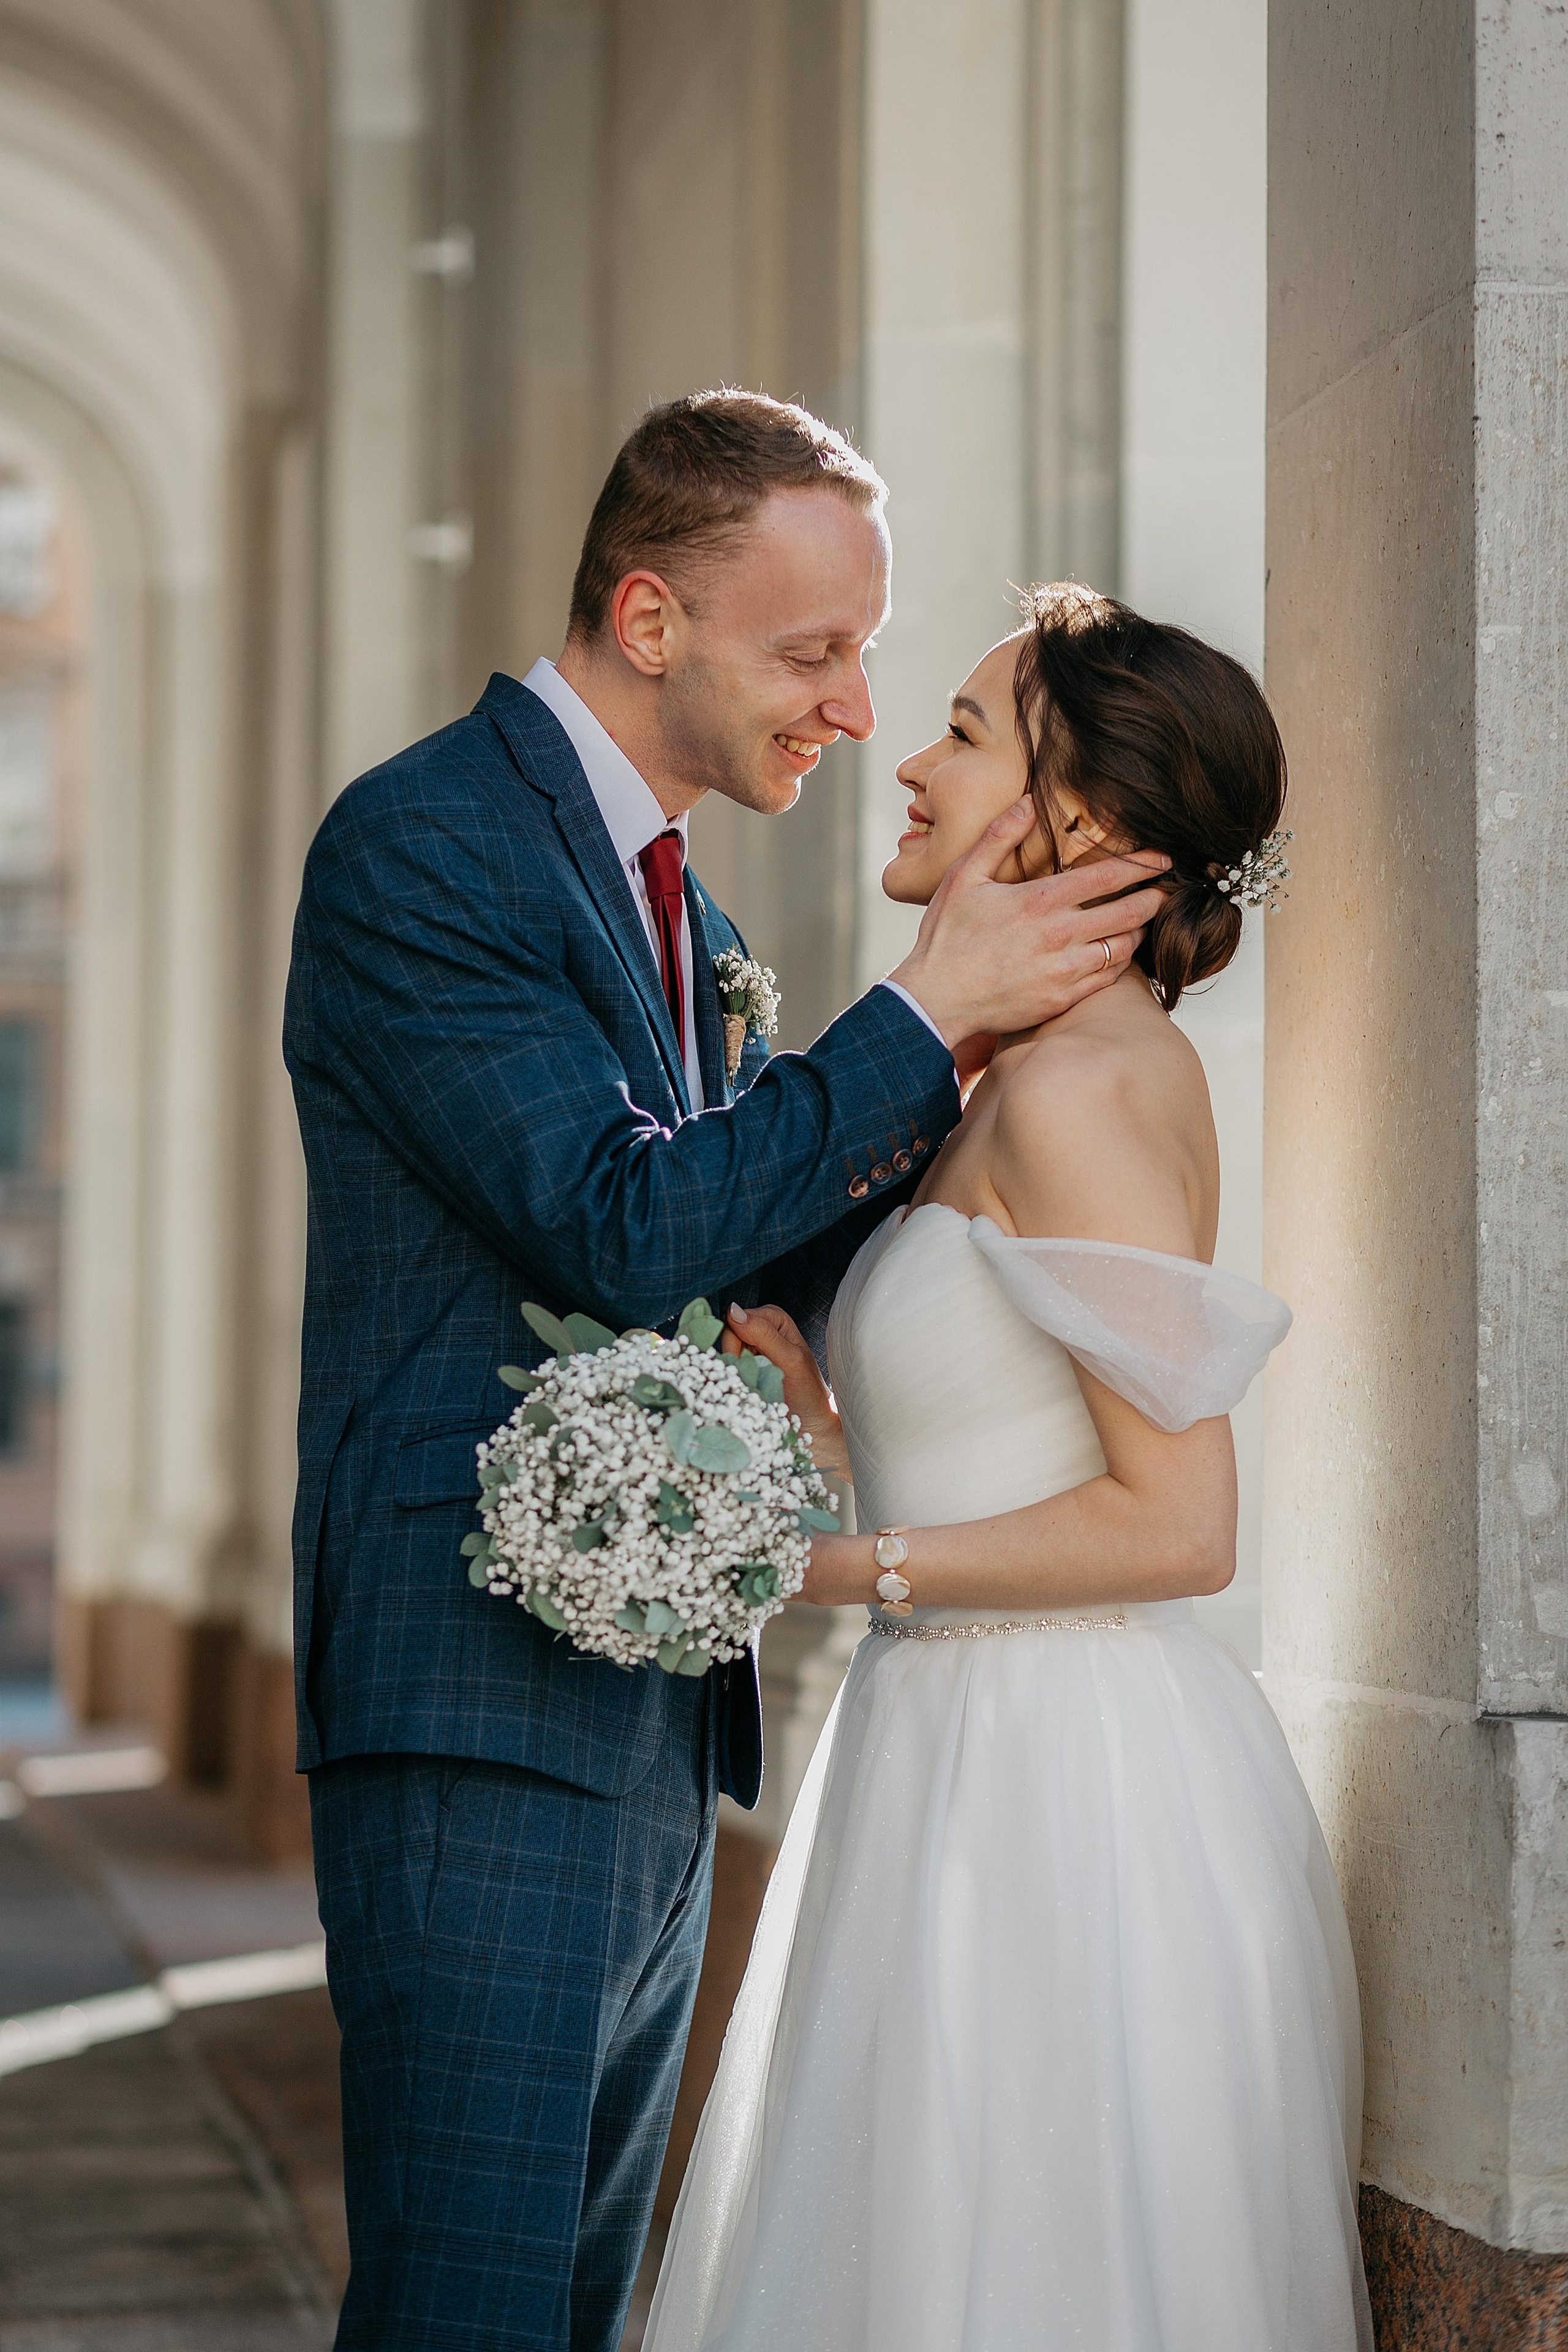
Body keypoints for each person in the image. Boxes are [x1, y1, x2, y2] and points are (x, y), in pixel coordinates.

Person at [284, 396, 1169, 2352]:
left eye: (873, 656)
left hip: (655, 1722)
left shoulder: (676, 894)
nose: (855, 711)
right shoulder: (428, 848)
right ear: (652, 616)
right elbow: (613, 1222)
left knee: (575, 2319)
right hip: (479, 1715)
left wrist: (990, 1086)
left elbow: (730, 1236)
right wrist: (926, 1016)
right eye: (817, 654)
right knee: (473, 2317)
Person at [645, 583, 1373, 2351]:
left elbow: (1179, 1521)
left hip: (1062, 1782)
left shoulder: (1078, 1091)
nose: (907, 760)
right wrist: (822, 1413)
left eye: (965, 737)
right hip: (959, 1740)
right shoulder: (1018, 1075)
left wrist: (815, 1570)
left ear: (1089, 822)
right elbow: (1016, 1434)